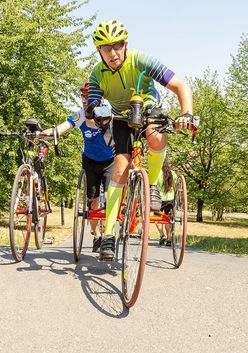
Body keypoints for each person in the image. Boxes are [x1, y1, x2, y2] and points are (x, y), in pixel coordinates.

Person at [86, 19, 194, 260]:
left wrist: (186, 114)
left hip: (148, 109)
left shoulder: (140, 60)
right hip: (121, 118)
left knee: (156, 135)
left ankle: (152, 186)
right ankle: (110, 235)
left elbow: (179, 85)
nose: (113, 53)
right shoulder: (97, 74)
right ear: (98, 50)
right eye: (106, 48)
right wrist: (94, 112)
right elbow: (92, 105)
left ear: (126, 44)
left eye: (118, 46)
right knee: (120, 167)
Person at [43, 82, 114, 252]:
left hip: (110, 160)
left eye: (88, 96)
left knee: (111, 197)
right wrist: (41, 134)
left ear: (100, 98)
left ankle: (110, 235)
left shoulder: (109, 113)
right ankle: (97, 235)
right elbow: (61, 128)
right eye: (82, 96)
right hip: (89, 161)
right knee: (93, 200)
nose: (84, 100)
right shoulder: (80, 115)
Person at [155, 156, 176, 246]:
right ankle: (169, 238)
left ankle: (162, 235)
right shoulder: (173, 174)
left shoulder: (157, 173)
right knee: (168, 219)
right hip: (170, 199)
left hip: (158, 199)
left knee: (157, 219)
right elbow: (175, 186)